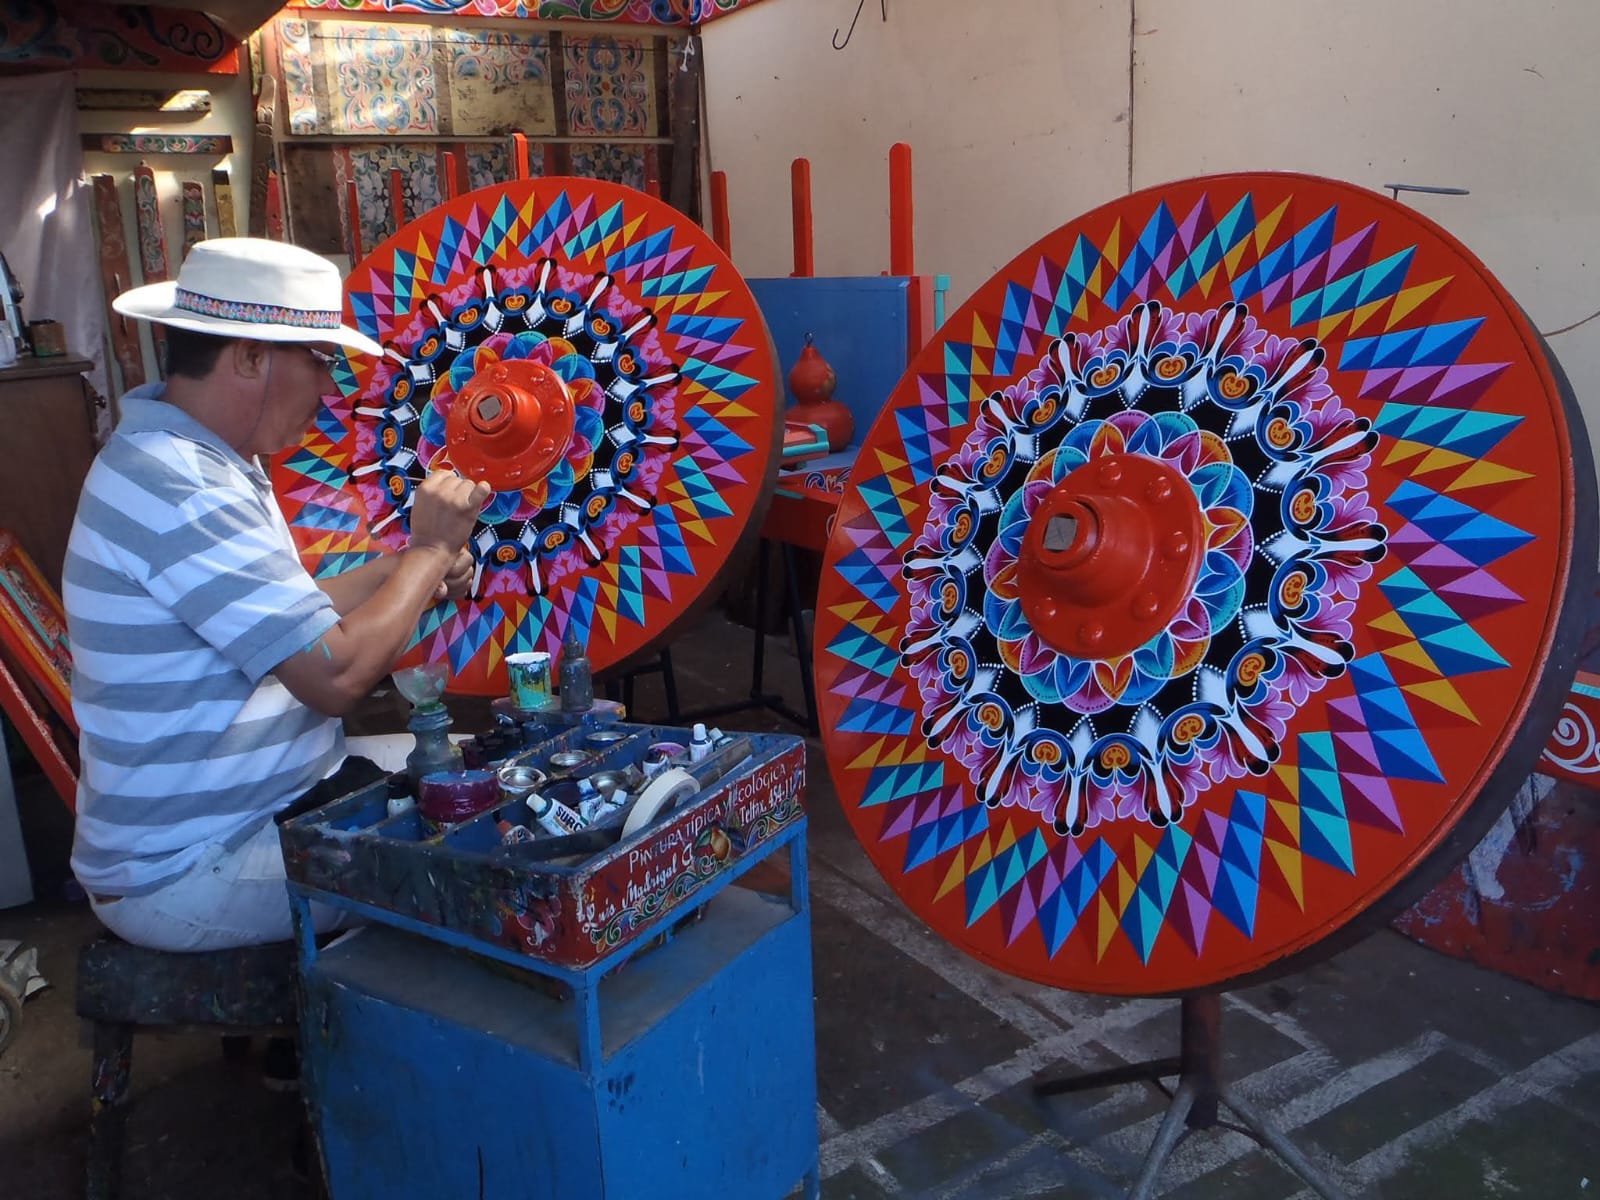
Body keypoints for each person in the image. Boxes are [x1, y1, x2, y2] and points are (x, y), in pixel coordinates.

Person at [63, 237, 490, 953]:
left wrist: (396, 574)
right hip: (191, 864)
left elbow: (280, 613)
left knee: (486, 772)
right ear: (251, 357)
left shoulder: (202, 458)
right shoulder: (178, 482)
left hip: (267, 807)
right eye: (320, 362)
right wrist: (431, 550)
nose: (328, 391)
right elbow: (335, 675)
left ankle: (311, 1045)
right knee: (483, 849)